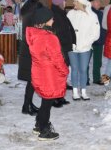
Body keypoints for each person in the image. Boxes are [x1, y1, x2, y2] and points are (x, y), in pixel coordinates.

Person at [27, 7, 69, 141]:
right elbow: (57, 59)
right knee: (47, 103)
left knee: (45, 100)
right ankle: (44, 130)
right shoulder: (49, 38)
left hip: (39, 72)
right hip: (50, 75)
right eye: (51, 18)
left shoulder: (34, 34)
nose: (53, 19)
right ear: (44, 21)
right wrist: (65, 71)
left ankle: (39, 124)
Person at [18, 0, 48, 116]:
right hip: (34, 47)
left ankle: (28, 104)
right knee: (32, 78)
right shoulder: (38, 10)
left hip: (27, 46)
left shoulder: (28, 7)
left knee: (32, 79)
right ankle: (26, 106)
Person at [67, 0, 100, 100]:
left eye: (75, 1)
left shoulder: (92, 16)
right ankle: (75, 92)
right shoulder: (70, 14)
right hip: (73, 48)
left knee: (83, 69)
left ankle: (84, 91)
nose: (73, 3)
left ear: (81, 2)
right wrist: (71, 41)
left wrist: (87, 42)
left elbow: (96, 33)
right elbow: (67, 29)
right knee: (74, 69)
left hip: (85, 48)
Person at [51, 0, 76, 107]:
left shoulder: (61, 12)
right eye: (64, 0)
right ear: (59, 2)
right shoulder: (55, 14)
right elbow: (57, 34)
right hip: (60, 49)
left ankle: (60, 96)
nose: (66, 2)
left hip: (65, 47)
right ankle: (55, 98)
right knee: (58, 74)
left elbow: (68, 29)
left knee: (62, 74)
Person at [89, 0, 106, 85]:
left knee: (98, 62)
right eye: (96, 2)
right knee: (87, 61)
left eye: (99, 1)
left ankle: (96, 78)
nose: (99, 3)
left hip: (99, 41)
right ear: (91, 3)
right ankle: (86, 79)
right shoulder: (88, 13)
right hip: (90, 42)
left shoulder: (100, 13)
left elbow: (103, 27)